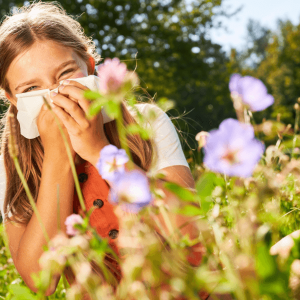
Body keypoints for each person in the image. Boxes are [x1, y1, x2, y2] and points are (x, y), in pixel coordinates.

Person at [0, 2, 204, 297]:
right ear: (13, 99)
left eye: (65, 75)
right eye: (31, 89)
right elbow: (39, 280)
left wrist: (98, 149)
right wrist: (58, 159)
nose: (54, 96)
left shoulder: (145, 122)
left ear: (90, 66)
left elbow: (190, 232)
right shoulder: (13, 164)